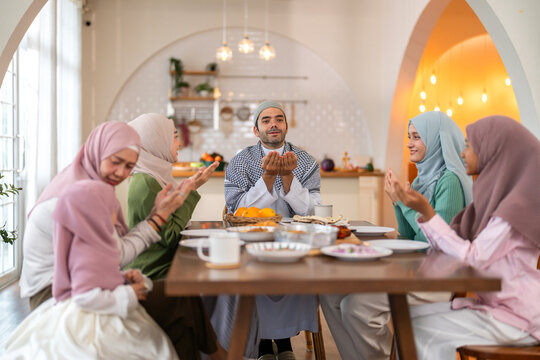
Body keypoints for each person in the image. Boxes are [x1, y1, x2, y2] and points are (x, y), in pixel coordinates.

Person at [17, 121, 203, 358]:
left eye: (129, 166)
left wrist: (158, 216)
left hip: (80, 284)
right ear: (98, 151)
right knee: (180, 301)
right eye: (115, 162)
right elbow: (113, 258)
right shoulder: (83, 196)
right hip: (55, 295)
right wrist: (159, 218)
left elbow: (112, 253)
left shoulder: (89, 184)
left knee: (182, 301)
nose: (121, 173)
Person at [320, 111, 473, 360]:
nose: (409, 143)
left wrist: (403, 203)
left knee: (356, 307)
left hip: (438, 277)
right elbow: (407, 237)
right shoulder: (423, 179)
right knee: (329, 294)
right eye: (408, 137)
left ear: (436, 140)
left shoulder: (449, 181)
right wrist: (396, 202)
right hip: (415, 271)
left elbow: (435, 242)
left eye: (416, 137)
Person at [388, 115, 540, 359]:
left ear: (493, 151)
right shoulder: (498, 201)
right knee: (408, 318)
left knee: (418, 328)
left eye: (469, 145)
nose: (462, 152)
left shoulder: (513, 210)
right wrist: (416, 209)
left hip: (518, 317)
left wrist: (426, 212)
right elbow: (452, 242)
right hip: (499, 308)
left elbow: (474, 257)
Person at [2, 180, 179, 359]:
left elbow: (104, 273)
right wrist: (129, 294)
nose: (114, 217)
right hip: (90, 314)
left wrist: (127, 280)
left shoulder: (85, 244)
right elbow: (85, 295)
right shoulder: (83, 249)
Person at [223, 101, 320, 360]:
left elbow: (314, 211)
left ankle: (285, 343)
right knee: (256, 275)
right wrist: (266, 177)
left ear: (286, 126)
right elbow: (237, 210)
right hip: (252, 239)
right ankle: (264, 343)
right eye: (266, 120)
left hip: (295, 239)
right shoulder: (241, 161)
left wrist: (289, 177)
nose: (273, 124)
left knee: (293, 273)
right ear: (256, 130)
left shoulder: (305, 161)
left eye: (279, 119)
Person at [125, 113, 225, 360]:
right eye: (174, 137)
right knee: (198, 294)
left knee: (192, 312)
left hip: (162, 264)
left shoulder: (152, 176)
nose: (178, 143)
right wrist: (189, 190)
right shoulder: (146, 182)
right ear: (155, 141)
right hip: (152, 270)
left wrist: (189, 187)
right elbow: (169, 236)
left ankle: (217, 352)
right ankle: (220, 353)